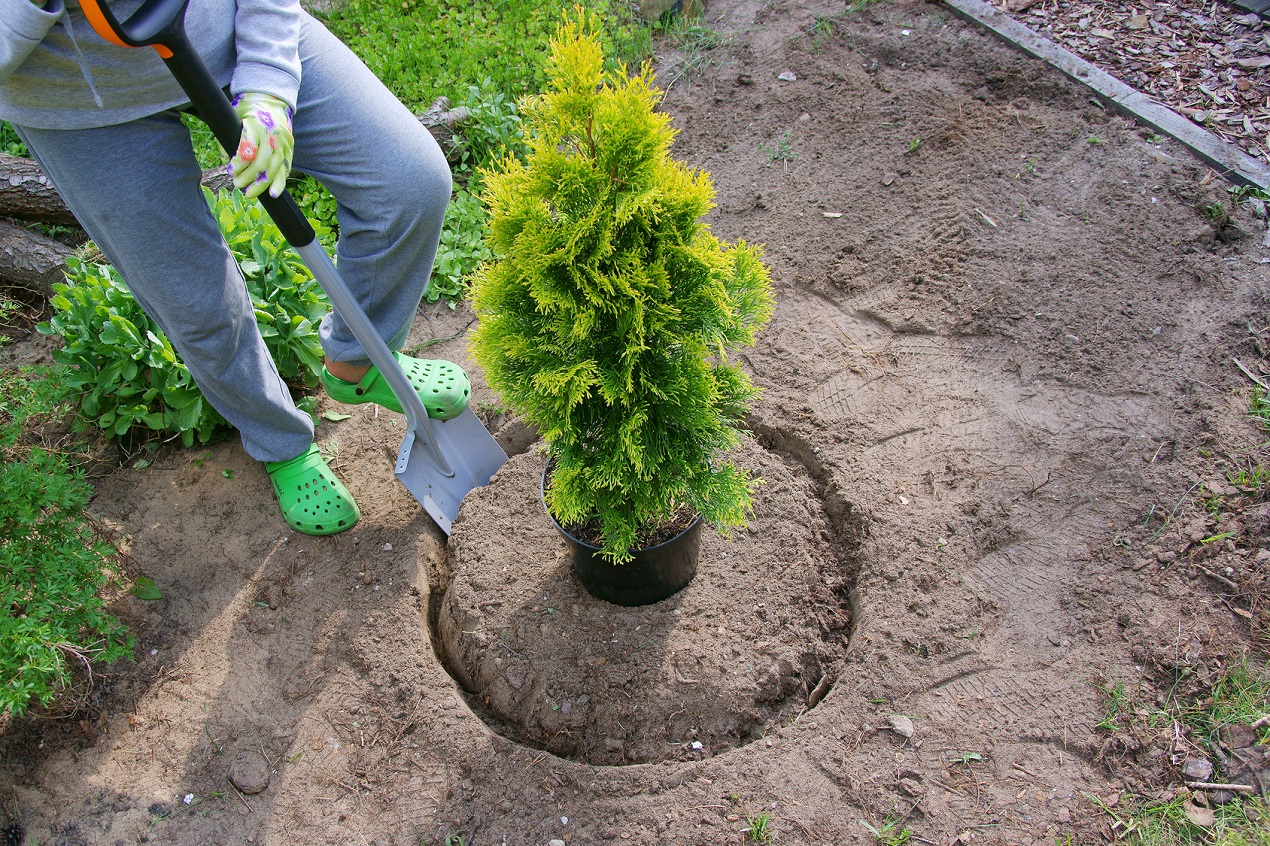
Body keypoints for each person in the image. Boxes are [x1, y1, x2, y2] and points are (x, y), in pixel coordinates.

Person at [1, 0, 471, 536]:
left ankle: (358, 363)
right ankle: (281, 443)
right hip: (76, 105)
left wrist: (270, 85)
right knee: (195, 301)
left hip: (226, 31)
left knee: (408, 182)